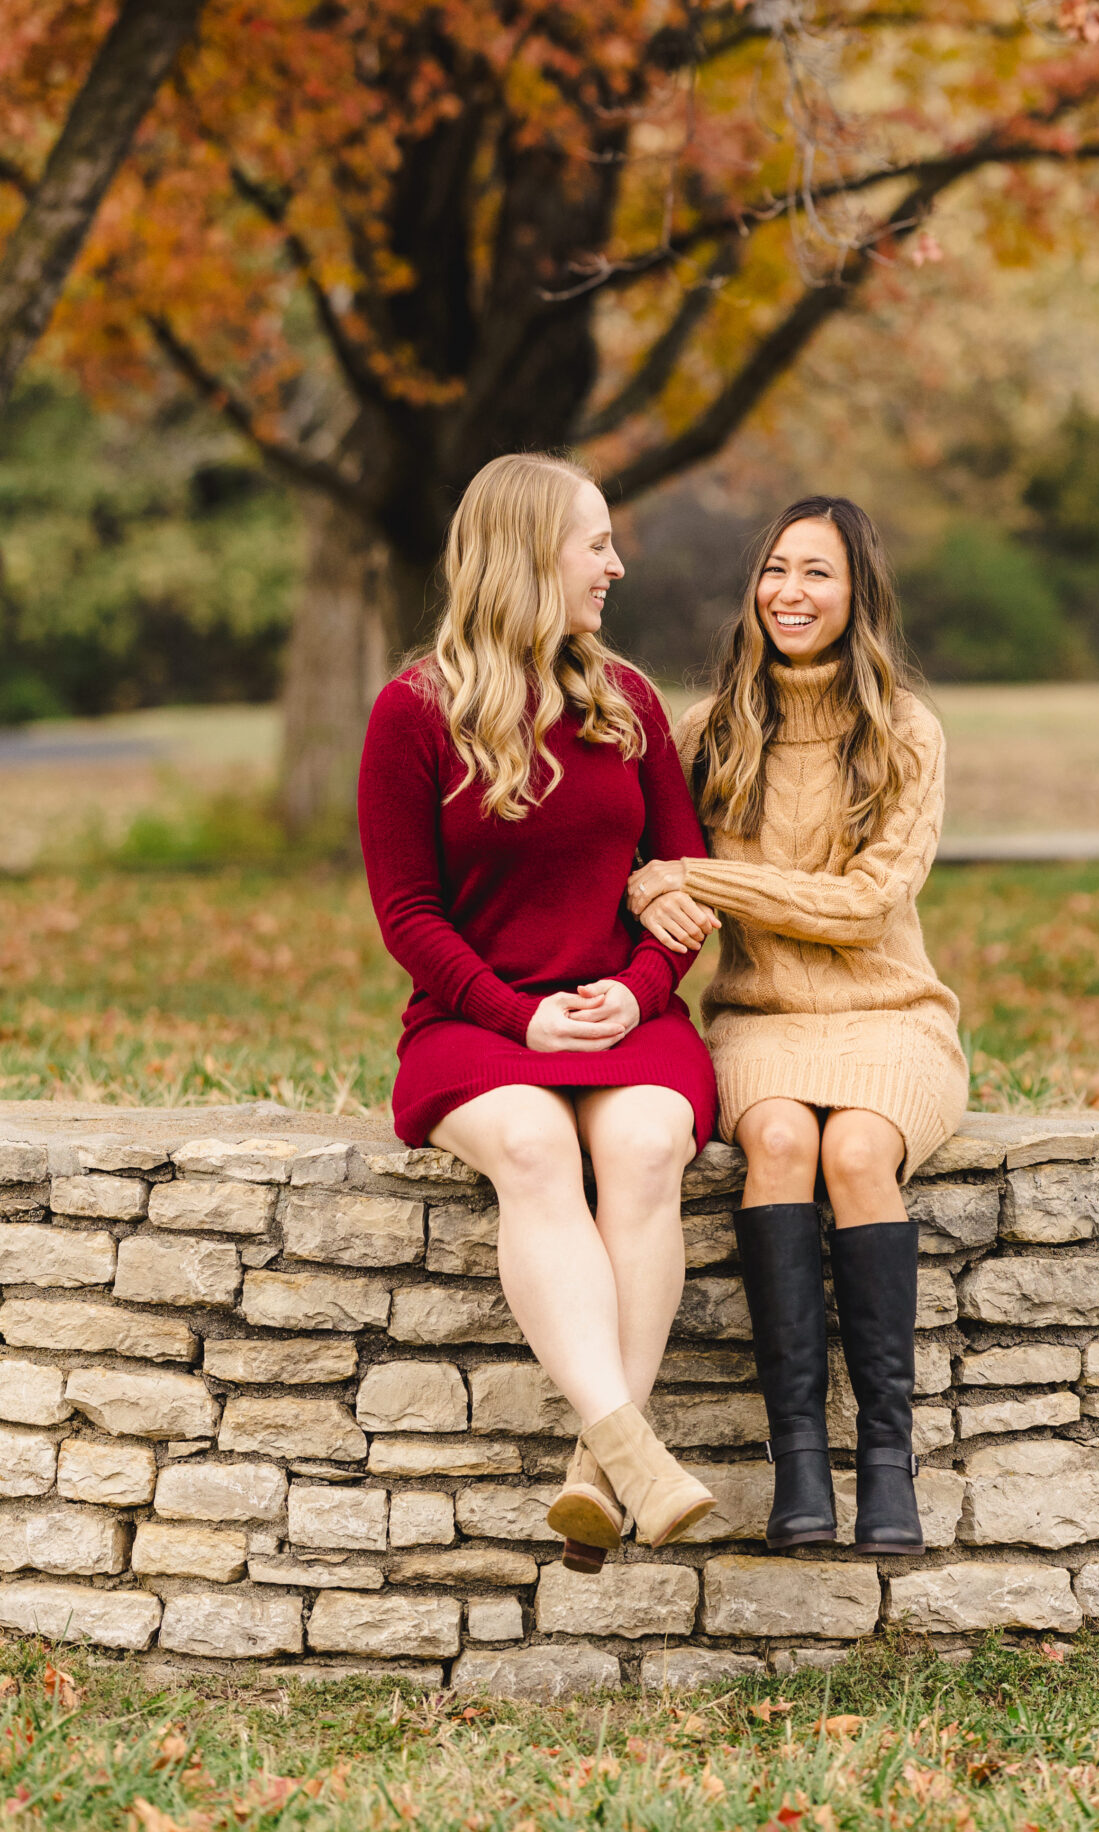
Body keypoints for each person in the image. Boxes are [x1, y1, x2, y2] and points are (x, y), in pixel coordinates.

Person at [358, 451, 720, 1571]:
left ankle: (594, 1472)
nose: (615, 563)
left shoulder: (629, 704)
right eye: (595, 541)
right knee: (530, 1140)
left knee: (648, 1143)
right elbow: (408, 914)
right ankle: (631, 1452)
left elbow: (684, 880)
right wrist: (518, 1019)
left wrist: (638, 989)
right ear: (527, 554)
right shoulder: (412, 713)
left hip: (626, 1014)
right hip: (475, 1023)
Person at [627, 496, 966, 1554]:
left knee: (859, 1149)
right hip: (759, 1016)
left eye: (817, 572)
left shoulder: (905, 729)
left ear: (857, 589)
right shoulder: (707, 731)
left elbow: (867, 903)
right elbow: (639, 862)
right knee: (779, 1139)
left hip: (892, 1014)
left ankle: (887, 1462)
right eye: (776, 570)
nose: (790, 593)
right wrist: (652, 890)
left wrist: (700, 876)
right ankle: (800, 1467)